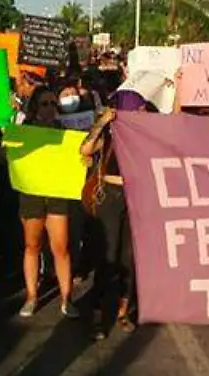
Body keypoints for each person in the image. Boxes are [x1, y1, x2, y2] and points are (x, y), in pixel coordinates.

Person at [80, 93, 149, 340]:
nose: (142, 114)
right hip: (110, 196)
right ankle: (98, 312)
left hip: (136, 197)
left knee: (129, 257)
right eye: (137, 109)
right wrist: (101, 123)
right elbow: (85, 149)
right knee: (107, 257)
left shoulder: (145, 137)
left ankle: (122, 311)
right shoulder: (111, 135)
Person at [16, 87, 79, 319]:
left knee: (61, 247)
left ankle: (66, 298)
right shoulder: (25, 130)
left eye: (54, 104)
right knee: (32, 245)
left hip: (56, 194)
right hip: (32, 193)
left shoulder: (63, 131)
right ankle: (32, 297)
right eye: (45, 104)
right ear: (35, 107)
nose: (51, 109)